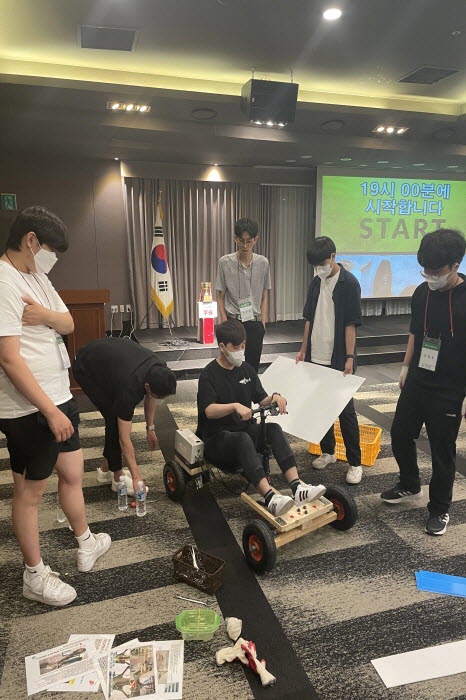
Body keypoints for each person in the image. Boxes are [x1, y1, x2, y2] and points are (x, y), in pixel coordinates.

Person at [0, 206, 111, 607]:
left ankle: (86, 541)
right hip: (30, 408)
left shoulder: (37, 276)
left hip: (60, 394)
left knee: (72, 472)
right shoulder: (4, 281)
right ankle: (34, 575)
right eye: (50, 250)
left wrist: (45, 315)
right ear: (31, 240)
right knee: (29, 493)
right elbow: (9, 359)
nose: (52, 259)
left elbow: (68, 324)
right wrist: (49, 411)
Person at [381, 229, 466, 536]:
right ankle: (409, 482)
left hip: (451, 387)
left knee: (442, 449)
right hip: (418, 378)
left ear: (455, 265)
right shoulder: (422, 292)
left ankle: (440, 508)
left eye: (436, 271)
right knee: (400, 433)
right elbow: (416, 332)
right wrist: (405, 367)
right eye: (425, 270)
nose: (430, 276)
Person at [197, 319, 326, 516]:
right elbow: (209, 411)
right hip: (216, 439)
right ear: (222, 347)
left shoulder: (246, 369)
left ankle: (297, 487)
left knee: (273, 429)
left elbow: (261, 398)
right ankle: (270, 497)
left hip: (242, 430)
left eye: (243, 346)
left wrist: (275, 397)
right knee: (243, 439)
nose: (240, 351)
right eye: (236, 348)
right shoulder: (209, 375)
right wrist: (234, 406)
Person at [296, 236, 363, 485]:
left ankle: (355, 463)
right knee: (321, 407)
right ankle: (328, 451)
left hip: (339, 356)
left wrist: (349, 357)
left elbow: (351, 324)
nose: (319, 269)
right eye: (315, 265)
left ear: (333, 257)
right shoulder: (316, 282)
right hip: (316, 354)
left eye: (322, 263)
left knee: (345, 412)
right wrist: (303, 349)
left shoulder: (349, 283)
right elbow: (308, 319)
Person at [73, 337, 177, 495]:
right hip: (86, 367)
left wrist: (150, 428)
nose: (161, 400)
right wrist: (137, 477)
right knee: (113, 419)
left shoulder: (159, 368)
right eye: (159, 396)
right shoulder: (129, 389)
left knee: (115, 418)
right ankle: (117, 478)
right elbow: (124, 439)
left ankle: (105, 469)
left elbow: (151, 398)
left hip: (112, 361)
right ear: (147, 387)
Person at [216, 217, 271, 372]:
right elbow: (220, 296)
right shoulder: (225, 262)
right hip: (233, 322)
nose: (245, 246)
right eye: (241, 241)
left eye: (249, 241)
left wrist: (263, 323)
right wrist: (225, 324)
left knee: (252, 368)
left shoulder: (263, 263)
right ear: (235, 239)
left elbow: (264, 295)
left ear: (255, 239)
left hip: (254, 322)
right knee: (231, 366)